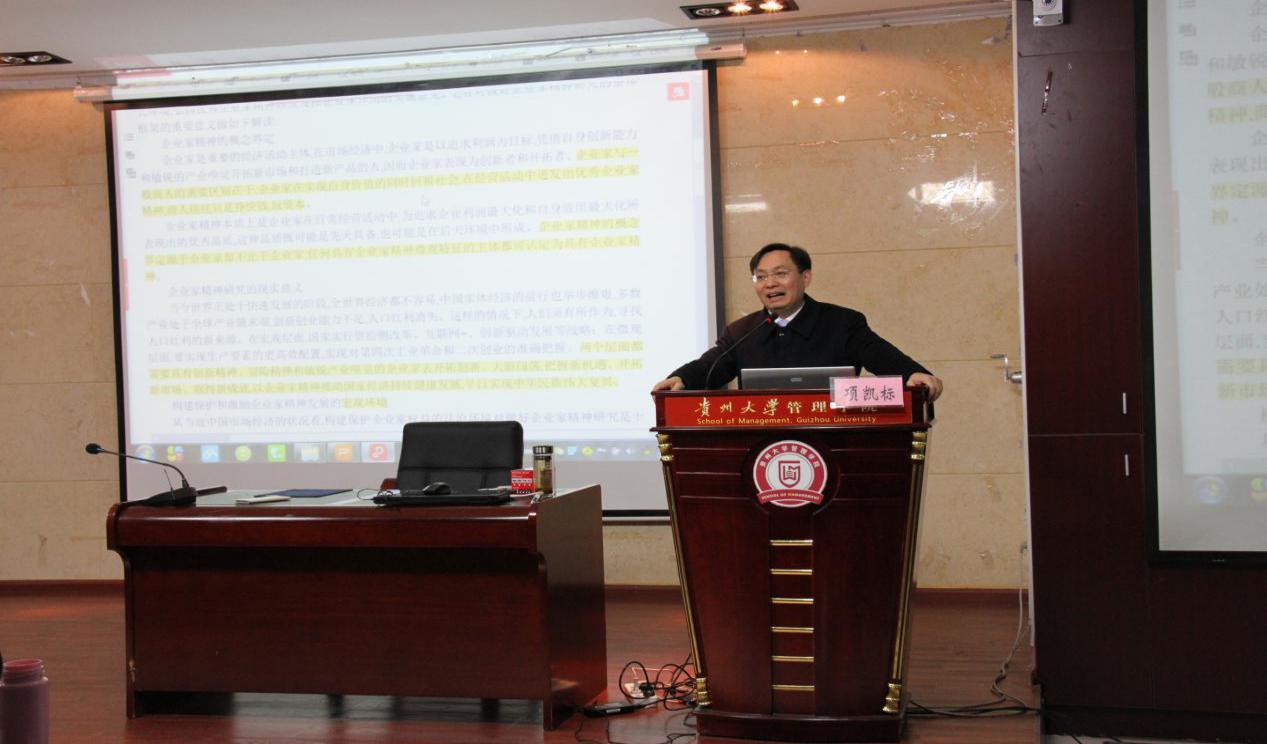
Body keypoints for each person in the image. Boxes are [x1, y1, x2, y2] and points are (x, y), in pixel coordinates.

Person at [651, 243, 943, 401]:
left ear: (806, 277)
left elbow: (880, 355)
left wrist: (913, 374)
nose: (770, 283)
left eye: (780, 274)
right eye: (760, 277)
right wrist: (682, 378)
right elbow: (710, 366)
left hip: (837, 440)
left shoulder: (842, 323)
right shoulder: (742, 331)